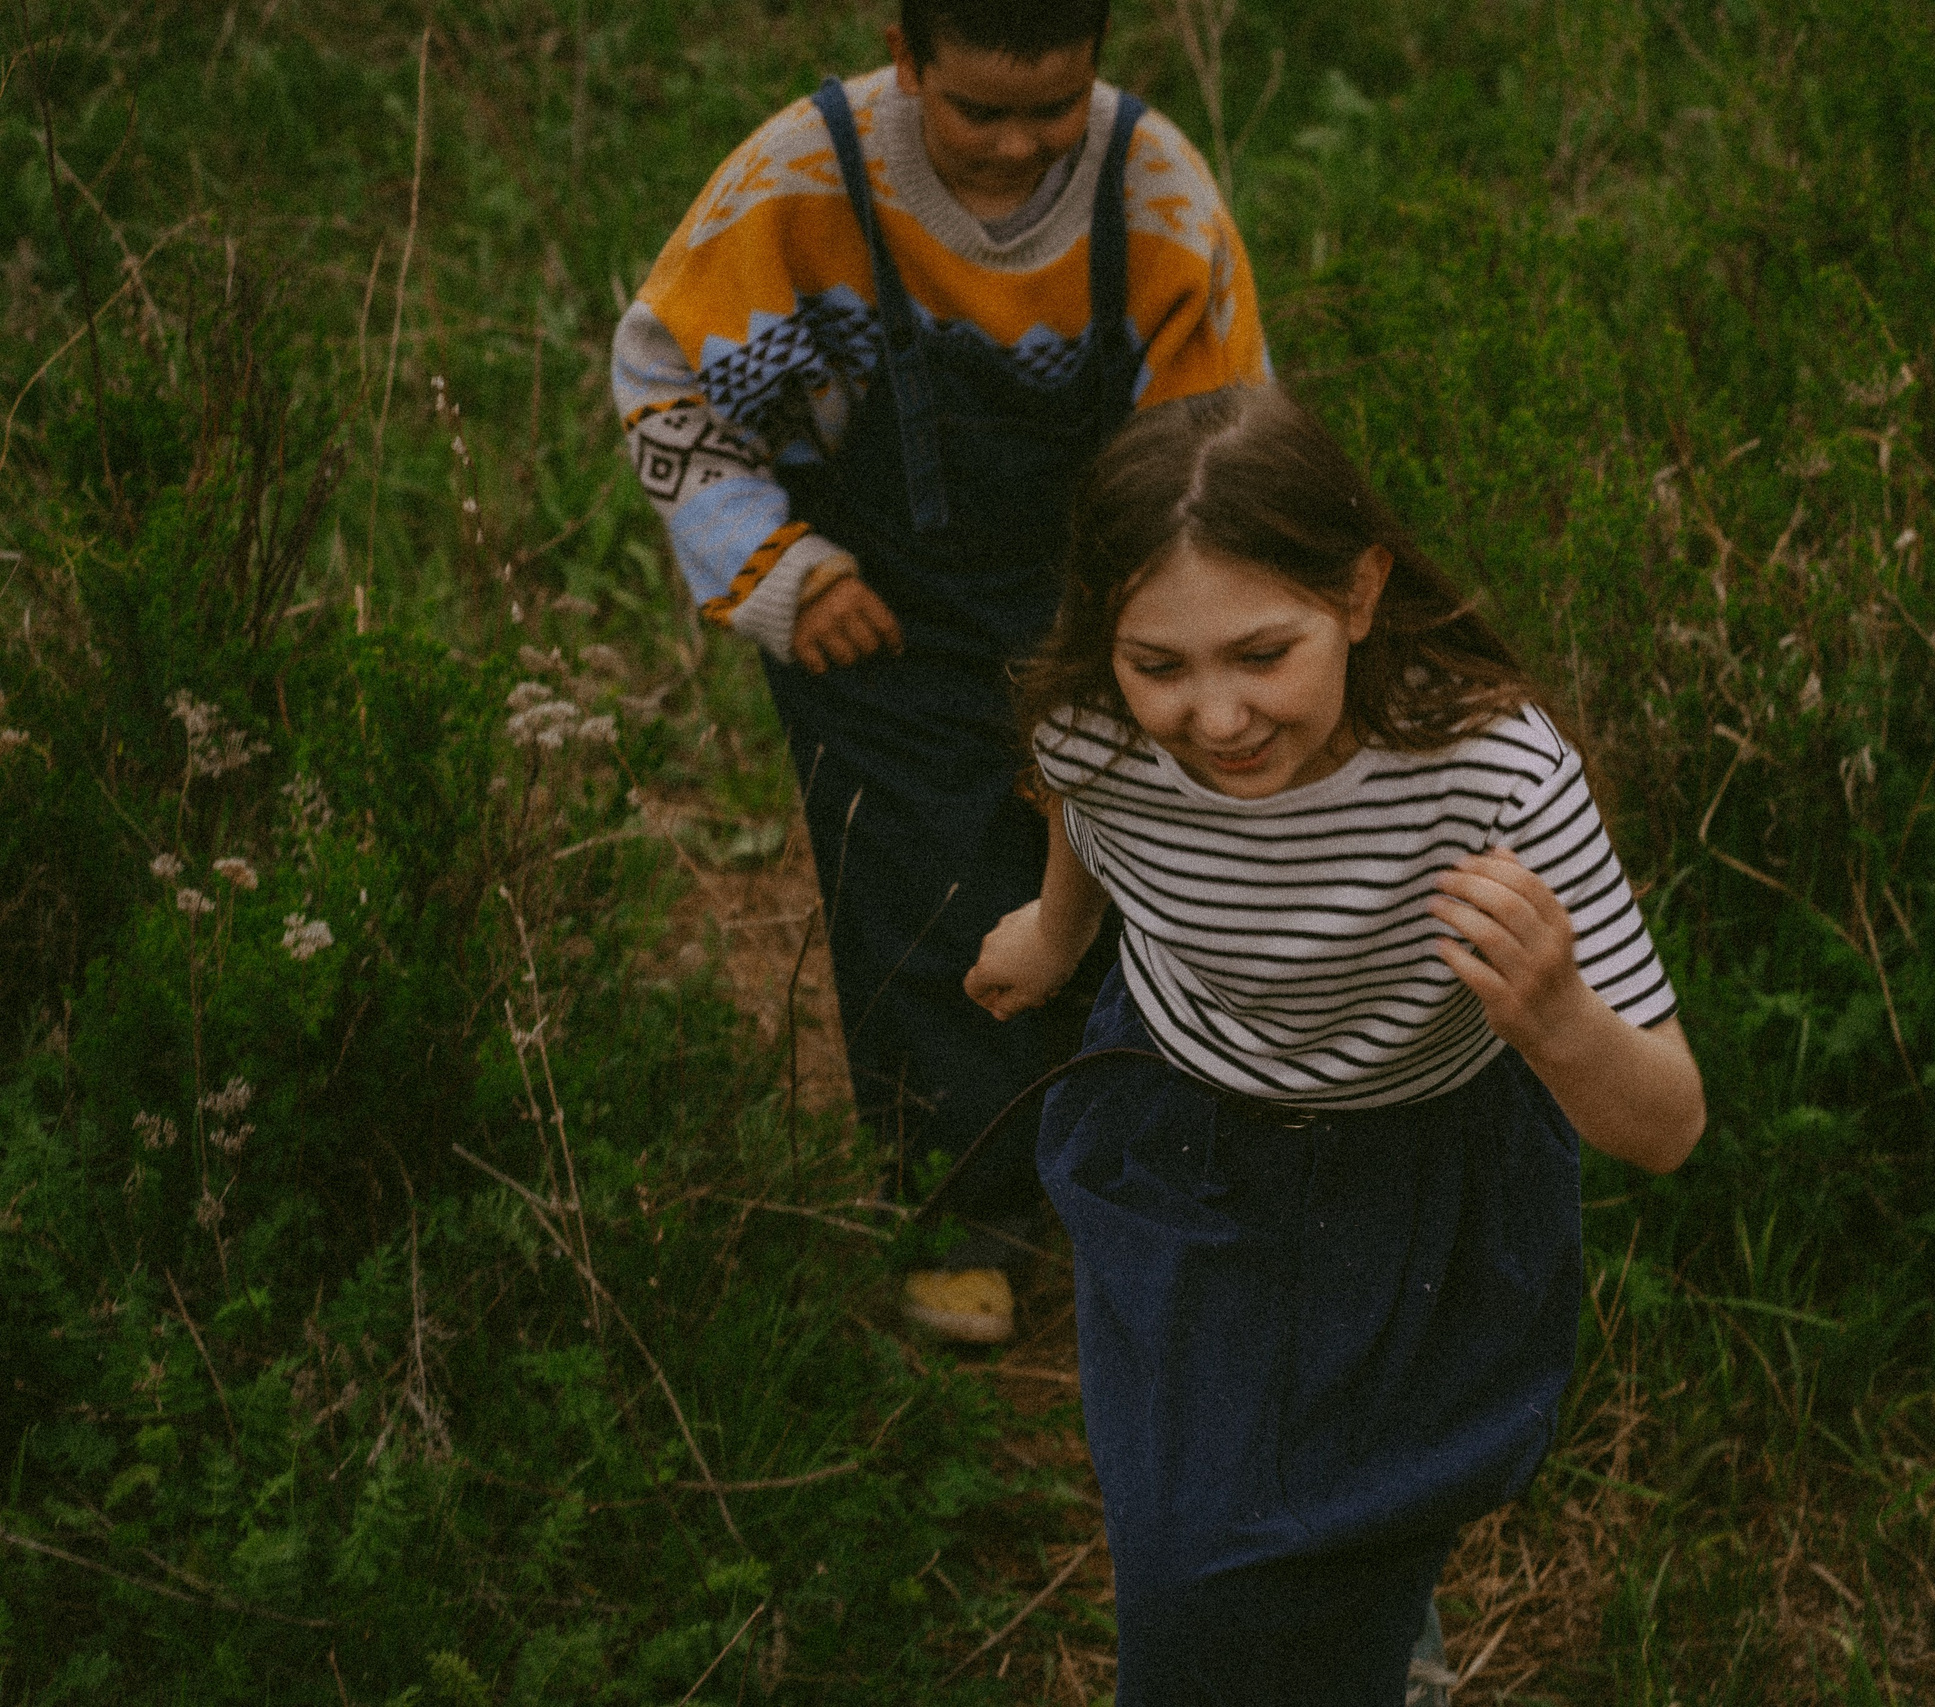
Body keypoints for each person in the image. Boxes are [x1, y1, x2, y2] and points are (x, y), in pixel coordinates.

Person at [964, 386, 1706, 1704]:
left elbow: (1667, 1125)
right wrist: (1057, 933)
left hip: (1424, 1172)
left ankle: (1380, 1636)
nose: (1215, 718)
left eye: (1263, 654)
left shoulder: (1491, 774)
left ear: (1359, 595)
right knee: (1190, 1564)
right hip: (1183, 1138)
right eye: (1160, 666)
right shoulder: (1091, 721)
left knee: (1358, 1518)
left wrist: (1558, 1020)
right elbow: (1083, 797)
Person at [612, 0, 1269, 1342]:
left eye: (1054, 108)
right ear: (906, 59)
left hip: (1102, 610)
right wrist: (782, 572)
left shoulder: (1153, 191)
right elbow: (666, 382)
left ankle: (1134, 1196)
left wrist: (1171, 630)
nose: (1021, 145)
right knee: (920, 897)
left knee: (1130, 880)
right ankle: (961, 1223)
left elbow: (1222, 437)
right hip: (876, 623)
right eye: (979, 111)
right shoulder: (798, 181)